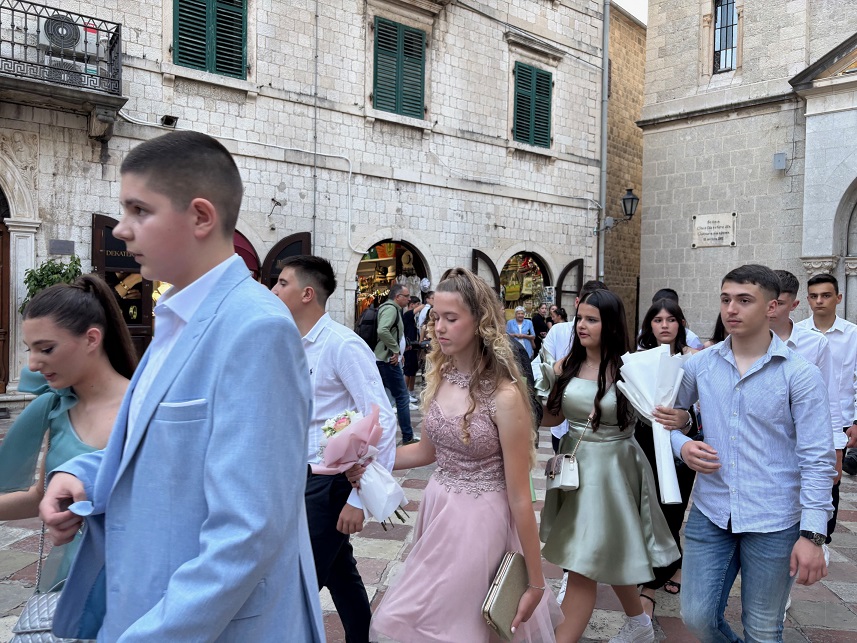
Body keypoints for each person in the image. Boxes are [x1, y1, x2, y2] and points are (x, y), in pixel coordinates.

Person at [39, 131, 324, 641]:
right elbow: (163, 453)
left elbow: (248, 530)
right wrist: (82, 475)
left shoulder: (256, 329)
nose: (122, 229)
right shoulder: (177, 315)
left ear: (200, 217)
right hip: (146, 606)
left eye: (139, 210)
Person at [369, 267, 562, 642]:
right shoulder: (441, 377)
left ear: (480, 322)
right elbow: (426, 451)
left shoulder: (505, 396)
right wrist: (373, 458)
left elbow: (520, 497)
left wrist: (536, 583)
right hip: (438, 508)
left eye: (451, 318)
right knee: (404, 620)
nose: (438, 328)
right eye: (436, 317)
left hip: (479, 520)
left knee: (455, 628)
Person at [663, 264, 835, 643]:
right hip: (712, 511)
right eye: (726, 299)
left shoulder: (799, 374)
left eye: (744, 300)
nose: (731, 309)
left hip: (775, 519)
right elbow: (665, 419)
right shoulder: (700, 365)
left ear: (772, 307)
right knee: (696, 616)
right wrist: (683, 444)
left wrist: (812, 535)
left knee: (763, 629)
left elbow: (818, 459)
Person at [539, 289, 679, 643]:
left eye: (592, 319)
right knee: (606, 550)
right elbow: (550, 417)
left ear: (611, 325)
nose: (582, 325)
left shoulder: (631, 368)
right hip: (575, 467)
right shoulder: (566, 365)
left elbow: (657, 418)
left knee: (583, 565)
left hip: (613, 469)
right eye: (580, 318)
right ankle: (640, 623)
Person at [272, 255, 397, 643]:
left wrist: (358, 501)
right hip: (296, 478)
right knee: (341, 572)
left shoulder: (342, 345)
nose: (273, 290)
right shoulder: (289, 343)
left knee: (296, 583)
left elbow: (382, 418)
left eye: (282, 283)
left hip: (329, 484)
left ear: (307, 293)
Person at [0, 275, 136, 592]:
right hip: (68, 576)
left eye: (46, 349)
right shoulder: (60, 408)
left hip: (125, 582)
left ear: (91, 339)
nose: (33, 364)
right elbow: (41, 496)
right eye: (30, 350)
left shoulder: (143, 409)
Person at [635, 299, 699, 617]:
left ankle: (654, 583)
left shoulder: (693, 360)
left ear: (680, 324)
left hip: (680, 445)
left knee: (672, 510)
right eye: (658, 320)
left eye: (671, 319)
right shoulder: (637, 360)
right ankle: (668, 564)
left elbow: (702, 409)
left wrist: (684, 419)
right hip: (644, 442)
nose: (664, 325)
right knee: (648, 512)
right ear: (649, 324)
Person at [797, 274, 857, 480]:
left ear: (838, 298)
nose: (819, 301)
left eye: (826, 295)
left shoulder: (853, 335)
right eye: (814, 296)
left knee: (832, 480)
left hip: (840, 420)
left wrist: (856, 421)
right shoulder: (797, 333)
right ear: (807, 299)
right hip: (801, 418)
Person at [375, 283, 419, 445]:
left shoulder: (393, 309)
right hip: (387, 361)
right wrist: (395, 350)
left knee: (385, 398)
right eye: (406, 296)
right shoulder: (391, 309)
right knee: (402, 397)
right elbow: (382, 330)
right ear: (397, 296)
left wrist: (399, 353)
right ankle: (407, 436)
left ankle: (379, 436)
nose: (408, 299)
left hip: (387, 359)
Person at [402, 295, 423, 404]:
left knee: (413, 370)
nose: (419, 306)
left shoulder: (412, 318)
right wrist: (426, 304)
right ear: (412, 305)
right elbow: (419, 308)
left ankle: (411, 391)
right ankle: (405, 394)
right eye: (417, 304)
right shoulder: (407, 315)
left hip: (413, 346)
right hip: (408, 347)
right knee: (408, 371)